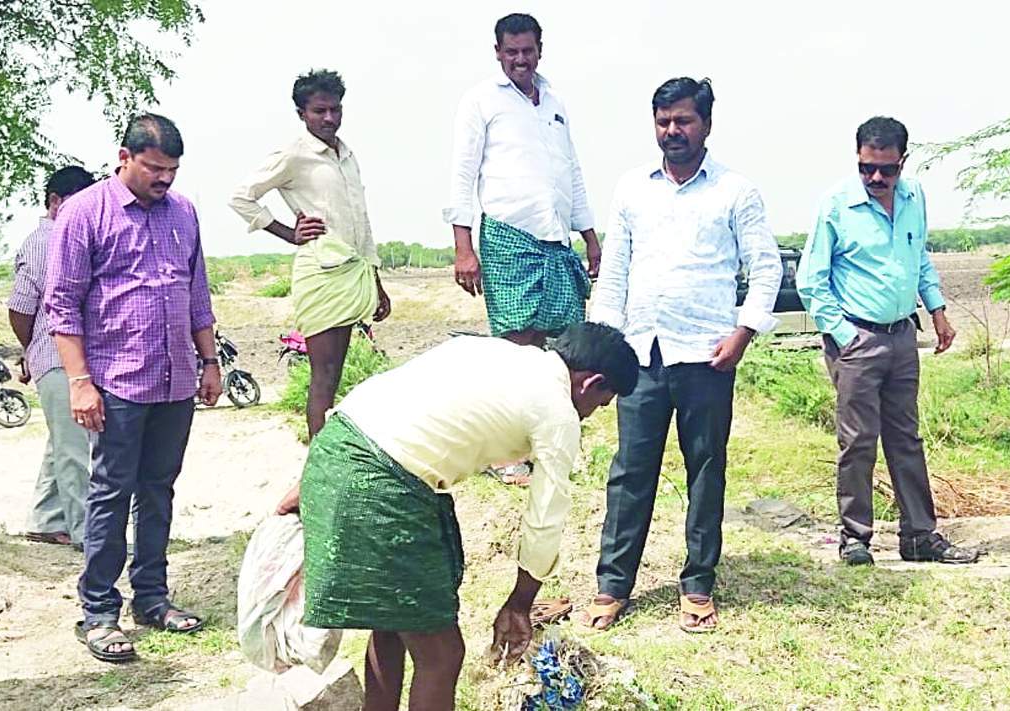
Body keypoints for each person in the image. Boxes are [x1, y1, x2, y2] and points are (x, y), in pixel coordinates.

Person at [273, 323, 638, 711]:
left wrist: (314, 478)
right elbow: (546, 517)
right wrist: (519, 604)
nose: (591, 415)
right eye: (601, 403)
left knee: (392, 625)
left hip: (336, 449)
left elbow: (391, 401)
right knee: (442, 655)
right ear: (590, 383)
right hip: (379, 480)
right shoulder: (557, 408)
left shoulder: (495, 352)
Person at [585, 78, 782, 633]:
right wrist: (604, 346)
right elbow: (615, 272)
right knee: (630, 472)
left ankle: (698, 583)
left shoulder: (735, 192)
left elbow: (766, 268)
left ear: (707, 125)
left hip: (707, 356)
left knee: (705, 469)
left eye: (683, 121)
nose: (672, 131)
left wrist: (743, 332)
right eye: (663, 121)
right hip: (641, 354)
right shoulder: (631, 189)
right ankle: (613, 584)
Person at [45, 114, 223, 663]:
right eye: (153, 168)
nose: (163, 180)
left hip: (174, 380)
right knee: (109, 493)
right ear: (123, 156)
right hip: (115, 382)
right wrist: (80, 382)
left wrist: (210, 361)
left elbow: (197, 295)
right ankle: (98, 611)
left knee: (158, 491)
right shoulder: (82, 214)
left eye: (171, 170)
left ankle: (152, 598)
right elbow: (61, 306)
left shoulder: (184, 213)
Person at [796, 116, 980, 567]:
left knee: (907, 440)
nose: (876, 178)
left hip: (902, 337)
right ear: (857, 159)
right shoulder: (837, 205)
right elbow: (810, 280)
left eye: (886, 169)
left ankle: (919, 536)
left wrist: (937, 311)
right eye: (866, 168)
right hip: (856, 339)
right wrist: (844, 335)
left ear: (902, 162)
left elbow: (918, 259)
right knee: (858, 441)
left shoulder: (915, 197)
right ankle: (855, 538)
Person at [230, 69, 392, 439]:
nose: (329, 118)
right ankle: (317, 460)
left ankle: (331, 453)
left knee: (337, 373)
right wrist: (288, 233)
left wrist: (377, 283)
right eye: (320, 111)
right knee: (323, 374)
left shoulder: (347, 155)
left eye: (335, 109)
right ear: (302, 113)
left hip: (353, 272)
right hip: (320, 273)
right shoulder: (294, 155)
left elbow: (361, 222)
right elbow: (241, 195)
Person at [444, 12, 599, 348]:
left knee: (562, 346)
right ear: (498, 51)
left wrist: (590, 238)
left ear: (539, 51)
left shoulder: (555, 101)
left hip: (557, 240)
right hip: (508, 239)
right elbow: (462, 175)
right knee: (515, 345)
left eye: (527, 51)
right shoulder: (480, 100)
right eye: (511, 52)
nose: (520, 60)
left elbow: (571, 171)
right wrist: (463, 249)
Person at [8, 165, 96, 547]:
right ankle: (86, 533)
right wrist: (32, 349)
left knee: (63, 441)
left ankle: (46, 519)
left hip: (61, 355)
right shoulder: (43, 243)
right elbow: (19, 308)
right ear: (55, 202)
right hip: (57, 356)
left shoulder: (73, 237)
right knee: (77, 448)